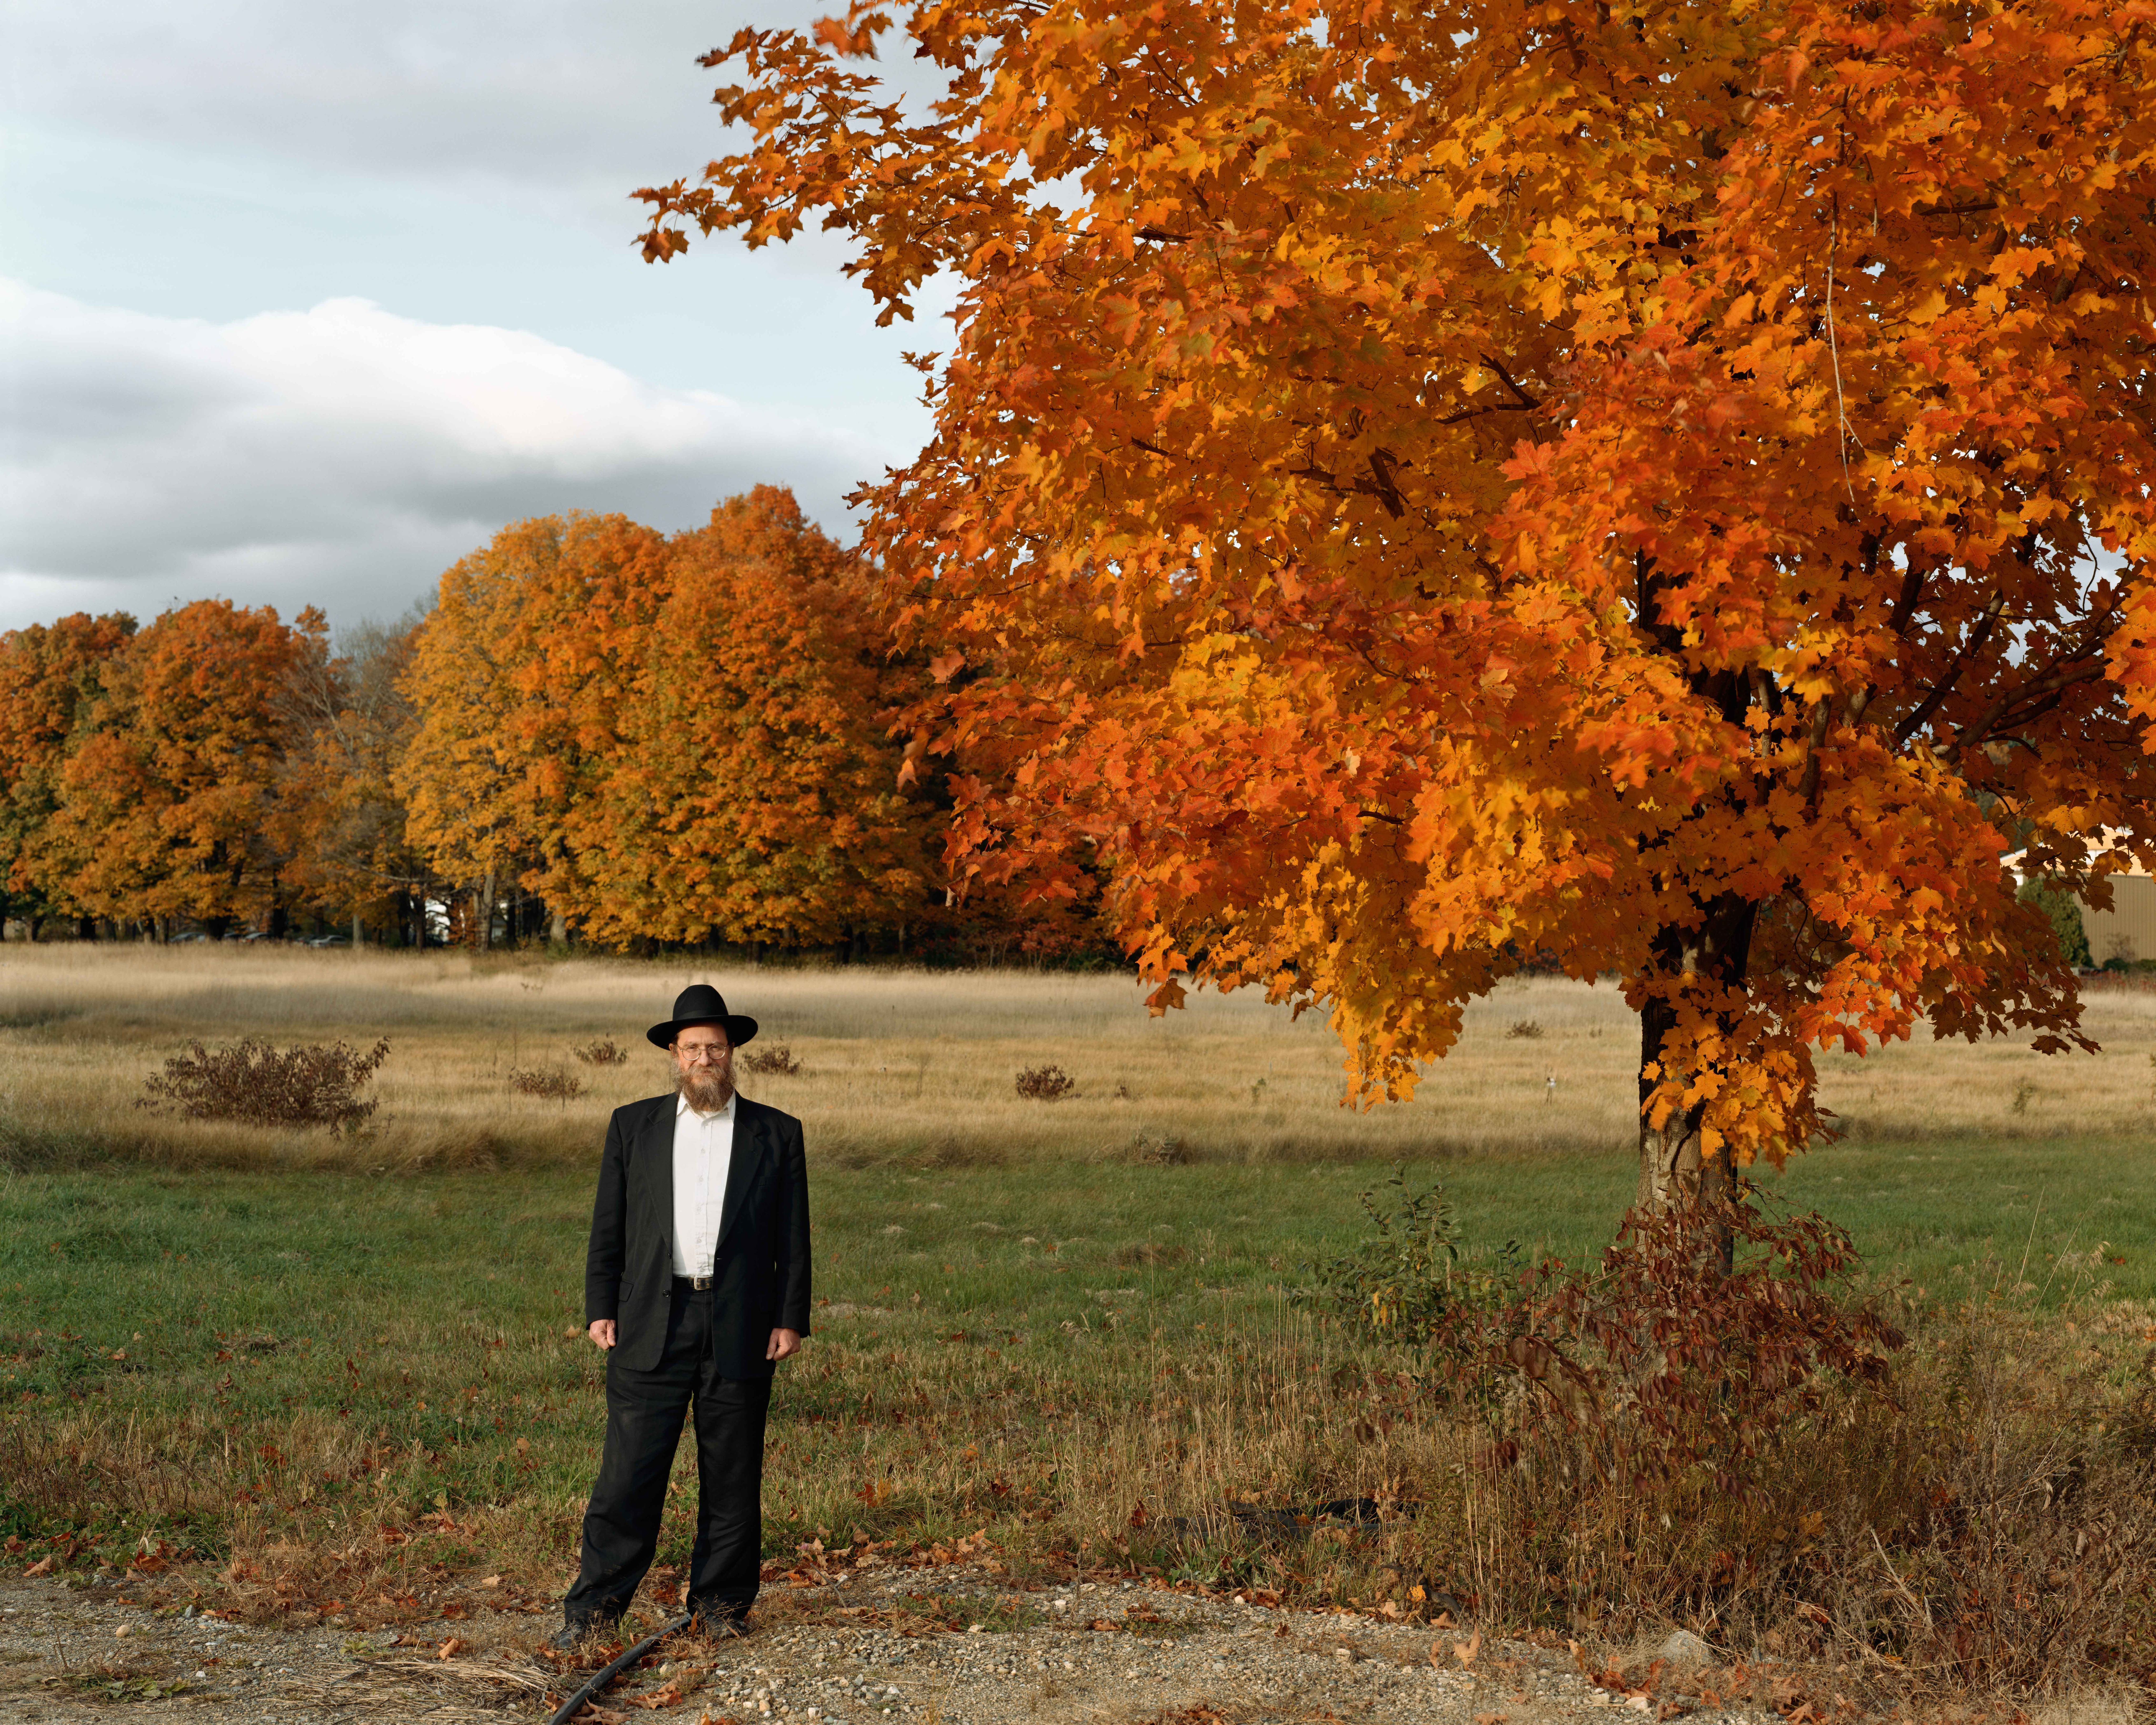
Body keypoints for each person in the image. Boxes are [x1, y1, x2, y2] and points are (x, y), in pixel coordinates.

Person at [554, 983, 811, 1644]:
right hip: (650, 1321)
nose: (706, 1057)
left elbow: (793, 1236)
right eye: (693, 1047)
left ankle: (720, 1606)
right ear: (674, 1054)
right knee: (627, 1477)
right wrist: (598, 1306)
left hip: (742, 1324)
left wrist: (790, 1317)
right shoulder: (632, 1125)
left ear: (732, 1055)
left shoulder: (777, 1133)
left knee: (732, 1478)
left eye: (716, 1048)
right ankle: (592, 1614)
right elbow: (607, 1227)